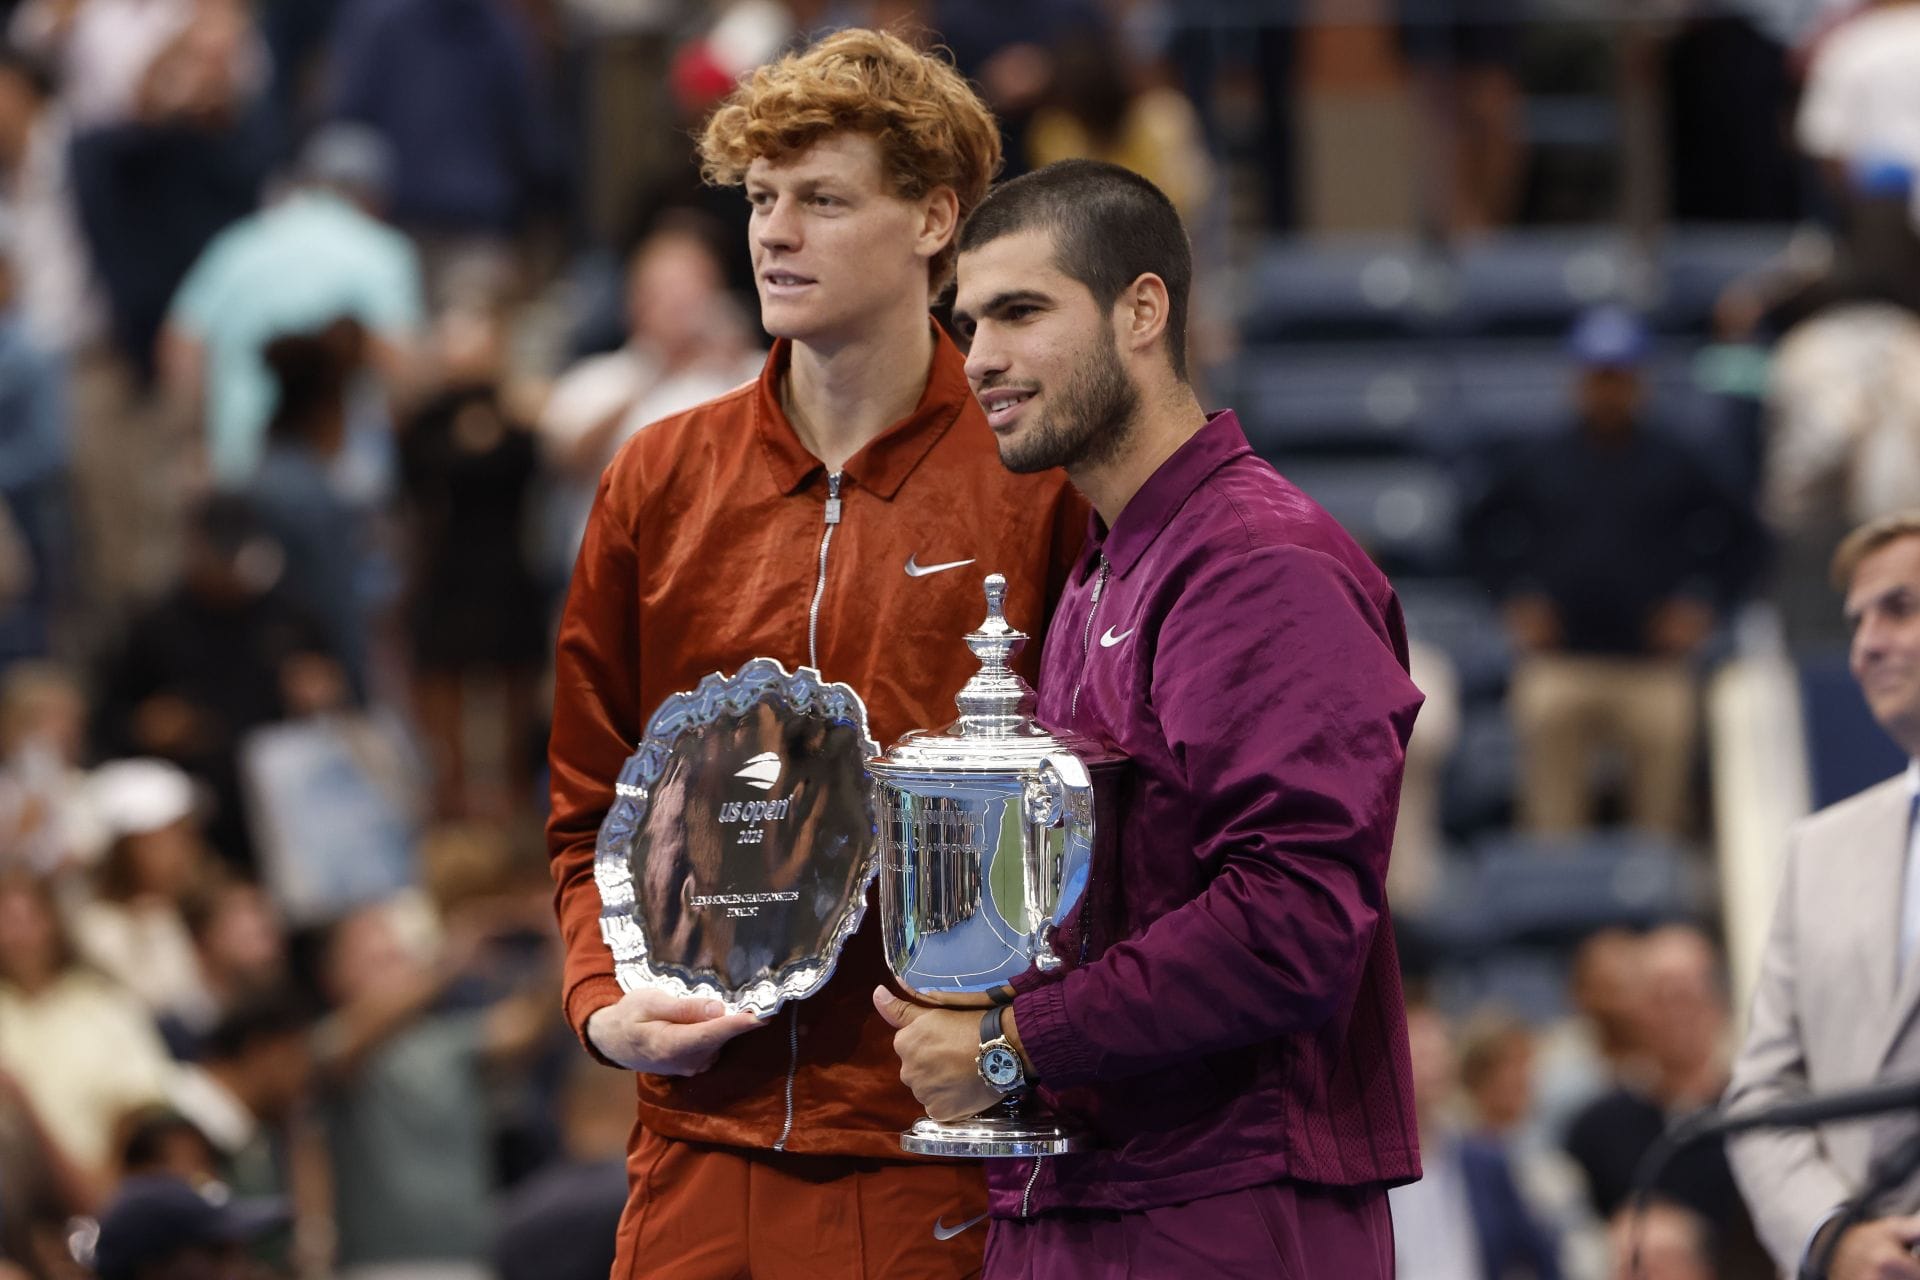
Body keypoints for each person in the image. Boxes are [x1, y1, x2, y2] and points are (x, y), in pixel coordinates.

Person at [545, 27, 1088, 1279]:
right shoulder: (656, 477)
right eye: (760, 198)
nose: (774, 233)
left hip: (931, 1149)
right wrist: (600, 1003)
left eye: (823, 199)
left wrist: (1012, 1040)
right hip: (694, 1140)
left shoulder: (1039, 480)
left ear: (934, 220)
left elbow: (1093, 817)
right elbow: (588, 805)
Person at [876, 158, 1420, 1276]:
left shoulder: (1258, 563)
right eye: (969, 321)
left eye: (1023, 312)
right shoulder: (1105, 567)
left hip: (1225, 1201)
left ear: (1141, 309)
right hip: (1089, 1187)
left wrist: (1015, 1041)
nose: (980, 358)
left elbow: (1297, 915)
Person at [1463, 306, 1756, 839]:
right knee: (1550, 815)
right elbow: (1475, 529)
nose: (1609, 389)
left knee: (1661, 819)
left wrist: (1705, 607)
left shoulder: (1676, 460)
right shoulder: (1540, 458)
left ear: (1639, 381)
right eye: (1598, 375)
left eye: (1620, 376)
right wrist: (1510, 597)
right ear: (1578, 379)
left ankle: (1655, 902)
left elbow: (1746, 537)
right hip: (1560, 663)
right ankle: (1556, 908)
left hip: (1652, 667)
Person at [1725, 509, 1920, 1279]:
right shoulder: (1819, 850)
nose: (1869, 643)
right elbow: (1763, 1093)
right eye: (1857, 620)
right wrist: (1832, 1237)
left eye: (1900, 608)